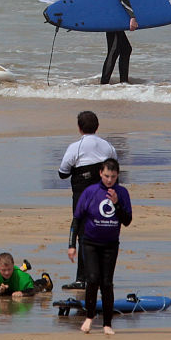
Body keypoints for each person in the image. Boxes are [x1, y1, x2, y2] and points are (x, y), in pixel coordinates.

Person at [67, 158, 132, 335]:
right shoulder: (90, 192)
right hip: (90, 242)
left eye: (112, 176)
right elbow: (76, 219)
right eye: (106, 176)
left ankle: (107, 324)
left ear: (117, 175)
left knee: (106, 283)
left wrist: (117, 203)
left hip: (111, 244)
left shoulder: (122, 193)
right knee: (93, 279)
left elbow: (127, 221)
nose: (109, 180)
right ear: (100, 174)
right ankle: (89, 316)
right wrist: (72, 245)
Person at [57, 110, 117, 290]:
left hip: (83, 197)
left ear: (79, 128)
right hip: (104, 197)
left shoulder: (75, 147)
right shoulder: (108, 146)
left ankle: (82, 278)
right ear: (97, 127)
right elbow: (114, 168)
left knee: (82, 234)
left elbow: (62, 173)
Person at [97, 0, 147, 84]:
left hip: (108, 15)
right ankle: (104, 84)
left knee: (125, 49)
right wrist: (132, 17)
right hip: (112, 19)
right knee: (113, 51)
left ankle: (124, 83)